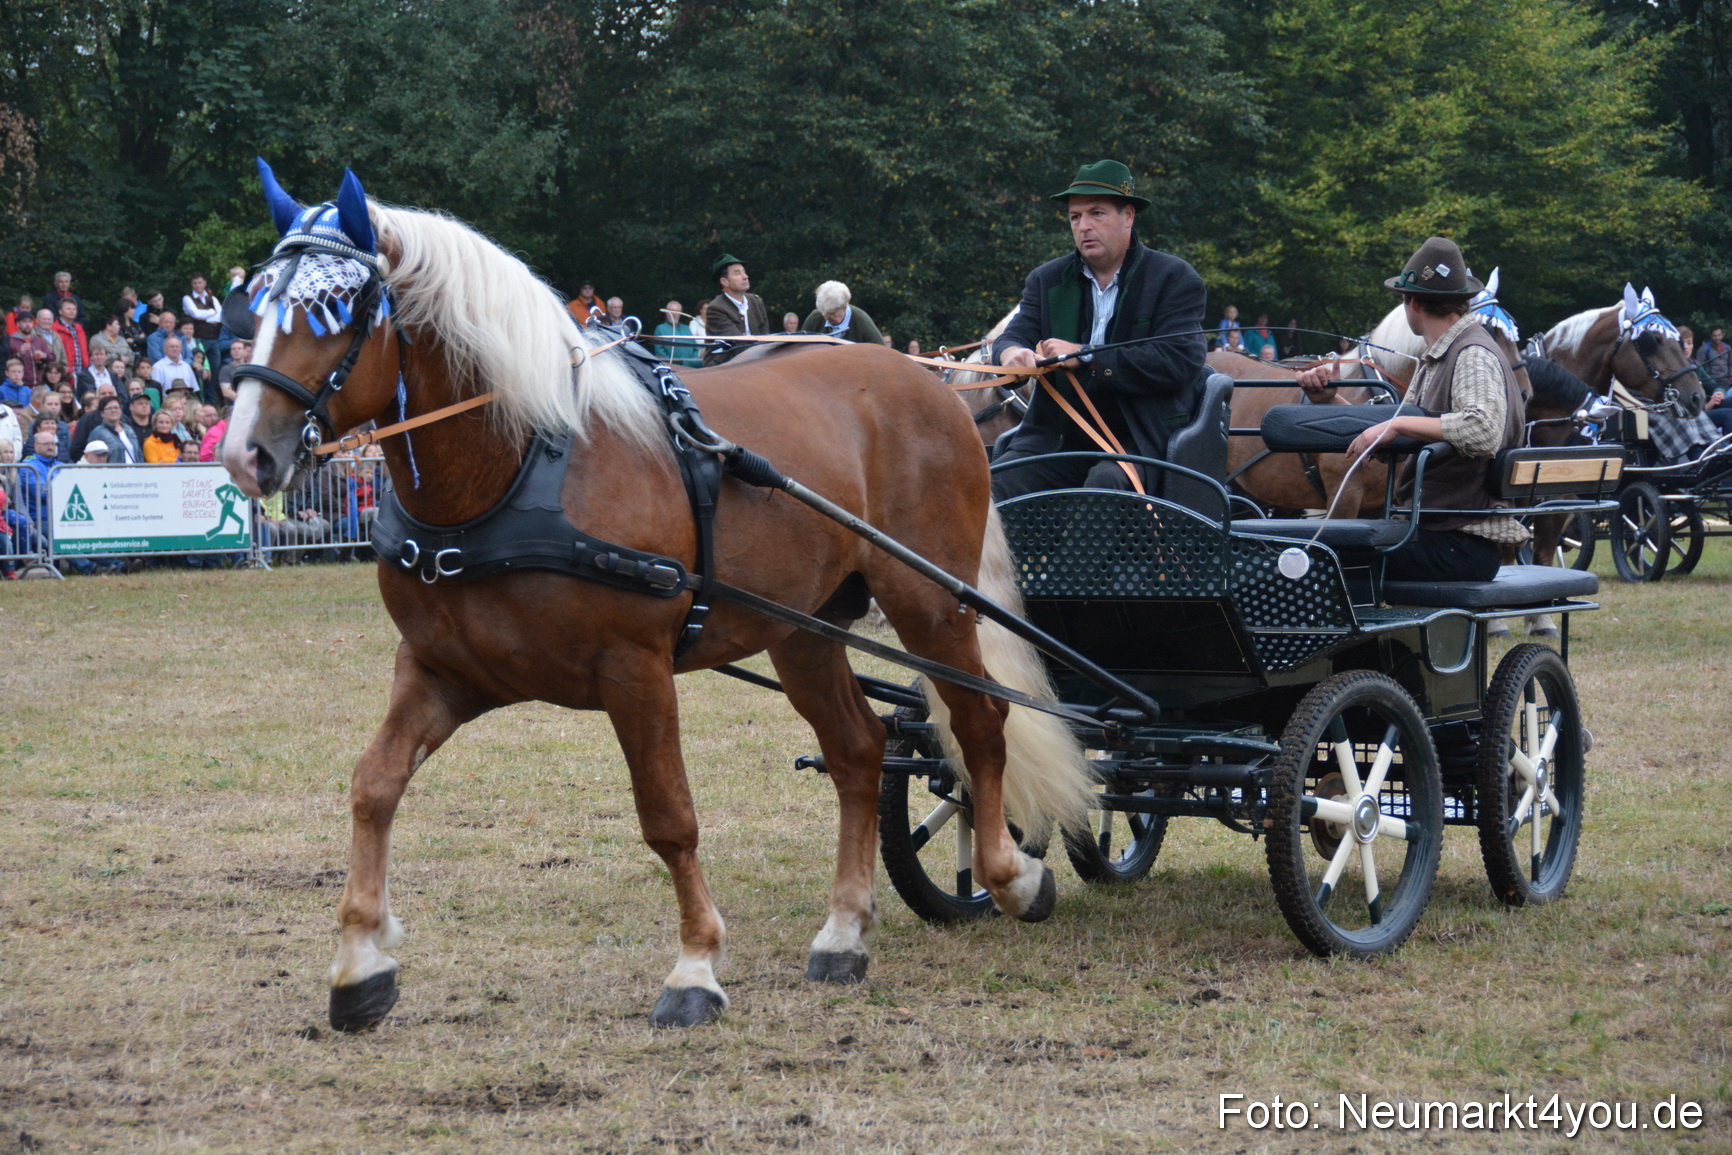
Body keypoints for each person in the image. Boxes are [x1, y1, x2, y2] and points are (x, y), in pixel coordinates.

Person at [1294, 236, 1525, 582]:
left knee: (1328, 563)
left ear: (1412, 303)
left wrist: (1400, 425)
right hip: (1437, 534)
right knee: (1325, 552)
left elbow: (1483, 430)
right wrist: (1330, 399)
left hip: (1458, 542)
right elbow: (1404, 433)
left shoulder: (1471, 354)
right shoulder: (1440, 357)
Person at [991, 159, 1207, 499]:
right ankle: (1022, 556)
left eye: (1096, 213)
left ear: (1128, 216)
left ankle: (1076, 556)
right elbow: (1013, 335)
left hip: (1137, 441)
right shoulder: (1046, 279)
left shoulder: (1173, 278)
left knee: (1106, 484)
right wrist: (1011, 352)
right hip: (1056, 439)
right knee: (997, 482)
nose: (1083, 227)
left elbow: (1179, 360)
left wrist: (1088, 357)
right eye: (1075, 217)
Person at [701, 253, 769, 365]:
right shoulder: (716, 308)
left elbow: (765, 338)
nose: (745, 276)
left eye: (744, 271)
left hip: (755, 362)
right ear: (725, 282)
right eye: (737, 273)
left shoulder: (756, 301)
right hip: (723, 368)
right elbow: (738, 344)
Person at [800, 281, 884, 346]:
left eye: (830, 314)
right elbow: (800, 347)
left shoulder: (862, 321)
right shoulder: (815, 317)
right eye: (823, 313)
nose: (825, 318)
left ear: (844, 308)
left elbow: (881, 351)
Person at [8, 309, 57, 391]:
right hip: (20, 386)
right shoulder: (11, 341)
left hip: (40, 385)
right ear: (18, 324)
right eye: (24, 322)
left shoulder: (39, 339)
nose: (27, 325)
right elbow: (6, 362)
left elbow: (52, 357)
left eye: (30, 322)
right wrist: (20, 353)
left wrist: (43, 355)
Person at [88, 394, 144, 463]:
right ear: (102, 413)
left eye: (116, 407)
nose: (113, 410)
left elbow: (139, 454)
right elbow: (92, 458)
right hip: (111, 473)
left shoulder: (129, 429)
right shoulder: (97, 432)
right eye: (109, 408)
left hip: (134, 472)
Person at [652, 302, 702, 368]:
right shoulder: (660, 328)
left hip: (689, 368)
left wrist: (691, 362)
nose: (674, 314)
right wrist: (671, 364)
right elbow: (660, 351)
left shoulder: (686, 328)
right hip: (670, 368)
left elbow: (695, 348)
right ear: (666, 312)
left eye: (677, 311)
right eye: (672, 311)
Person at [52, 298, 91, 375]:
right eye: (68, 309)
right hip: (65, 372)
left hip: (82, 370)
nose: (72, 311)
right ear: (60, 311)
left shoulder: (79, 327)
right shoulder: (54, 328)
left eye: (74, 309)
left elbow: (84, 349)